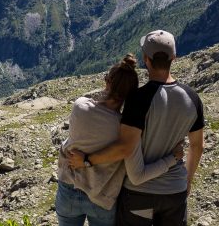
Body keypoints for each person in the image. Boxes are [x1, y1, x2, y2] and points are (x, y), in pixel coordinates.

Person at [68, 30, 205, 226]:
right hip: (175, 191)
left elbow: (127, 149)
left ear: (145, 59)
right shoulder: (192, 98)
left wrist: (88, 160)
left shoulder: (138, 99)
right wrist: (187, 180)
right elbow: (197, 146)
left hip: (138, 194)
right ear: (174, 57)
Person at [55, 54, 184, 226]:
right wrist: (172, 158)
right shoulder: (124, 129)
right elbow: (133, 164)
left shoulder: (80, 105)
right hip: (102, 196)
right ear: (131, 93)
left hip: (69, 187)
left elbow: (72, 141)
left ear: (107, 82)